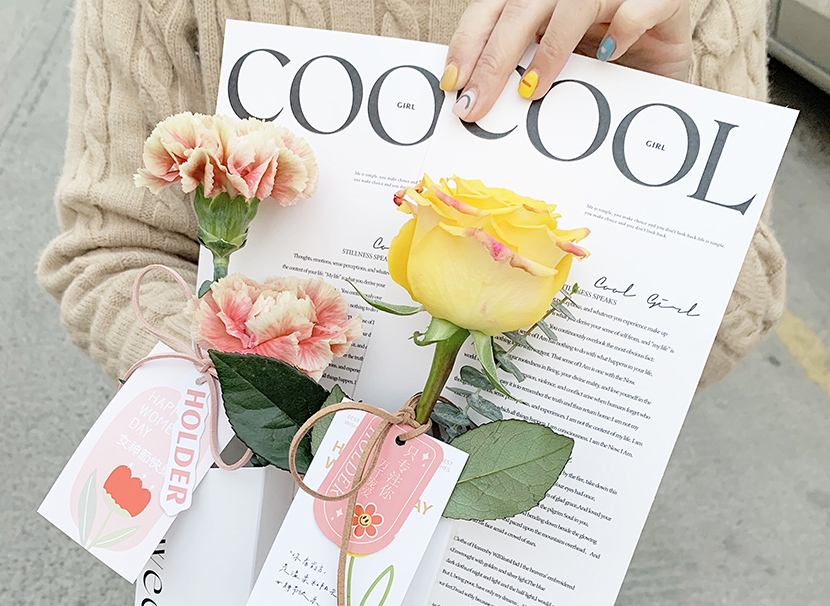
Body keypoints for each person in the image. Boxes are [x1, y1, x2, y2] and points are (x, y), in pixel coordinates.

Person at [37, 0, 785, 388]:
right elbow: (112, 257)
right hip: (248, 512)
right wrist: (261, 400)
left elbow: (740, 299)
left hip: (514, 545)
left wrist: (658, 118)